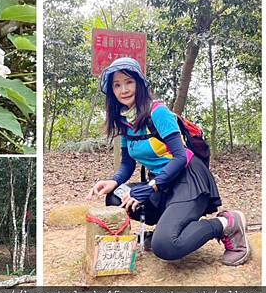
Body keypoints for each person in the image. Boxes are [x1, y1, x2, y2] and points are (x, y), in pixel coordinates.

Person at [86, 57, 250, 266]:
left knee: (166, 247)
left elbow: (180, 157)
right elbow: (128, 164)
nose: (123, 90)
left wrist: (151, 187)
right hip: (162, 185)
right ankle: (167, 224)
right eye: (117, 85)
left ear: (140, 84)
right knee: (115, 199)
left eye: (129, 82)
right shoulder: (125, 122)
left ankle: (227, 223)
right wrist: (114, 181)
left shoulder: (158, 112)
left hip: (188, 179)